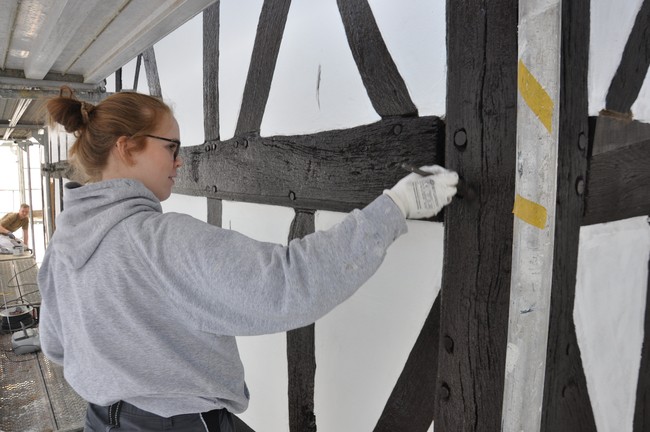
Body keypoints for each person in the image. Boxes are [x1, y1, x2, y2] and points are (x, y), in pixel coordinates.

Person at [38, 89, 459, 432]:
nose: (179, 160)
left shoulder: (64, 243)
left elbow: (56, 347)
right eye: (172, 146)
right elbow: (289, 285)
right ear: (126, 147)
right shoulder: (160, 241)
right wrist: (395, 207)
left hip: (99, 421)